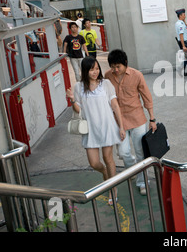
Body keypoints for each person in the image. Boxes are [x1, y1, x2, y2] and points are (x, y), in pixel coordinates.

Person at [66, 56, 125, 205]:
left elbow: (115, 106)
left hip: (107, 125)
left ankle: (113, 189)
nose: (95, 72)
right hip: (90, 128)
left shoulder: (105, 84)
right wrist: (72, 100)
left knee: (108, 158)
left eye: (97, 68)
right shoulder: (78, 87)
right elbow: (78, 109)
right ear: (85, 71)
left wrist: (121, 126)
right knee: (94, 163)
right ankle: (105, 172)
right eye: (92, 69)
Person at [105, 49, 157, 195]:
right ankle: (134, 169)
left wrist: (152, 118)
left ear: (125, 64)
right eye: (112, 67)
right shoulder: (108, 76)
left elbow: (147, 97)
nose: (115, 70)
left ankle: (142, 182)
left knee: (141, 152)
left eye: (118, 67)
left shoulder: (136, 75)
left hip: (137, 118)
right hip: (118, 121)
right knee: (123, 152)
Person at [175, 8, 187, 76]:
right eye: (184, 15)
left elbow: (186, 29)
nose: (185, 16)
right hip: (185, 43)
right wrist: (183, 46)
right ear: (180, 15)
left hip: (185, 42)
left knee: (186, 57)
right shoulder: (180, 24)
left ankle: (183, 71)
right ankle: (181, 69)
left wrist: (184, 21)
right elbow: (181, 35)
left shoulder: (181, 23)